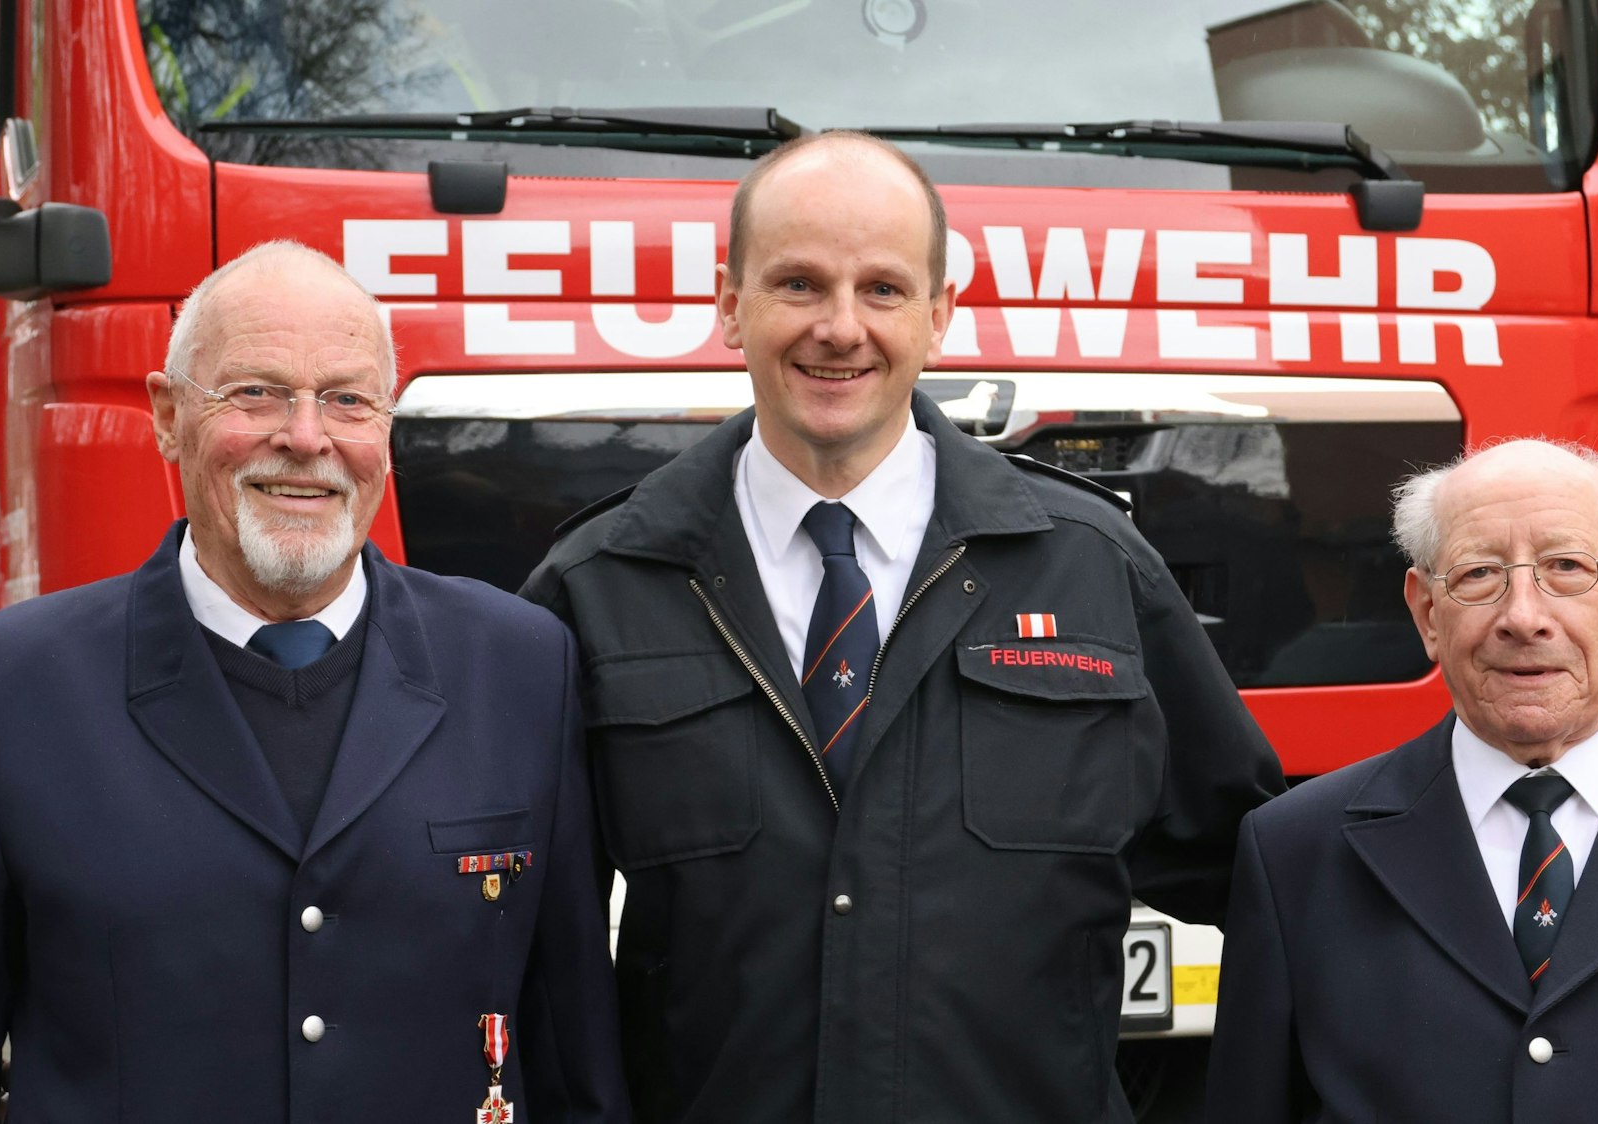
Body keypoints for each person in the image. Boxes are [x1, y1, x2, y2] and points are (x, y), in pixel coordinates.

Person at [520, 131, 1284, 1123]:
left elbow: (1267, 885)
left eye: (882, 289)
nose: (841, 328)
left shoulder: (1095, 569)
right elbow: (523, 949)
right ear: (728, 304)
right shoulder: (599, 587)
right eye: (799, 284)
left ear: (939, 314)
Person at [0, 242, 628, 1123]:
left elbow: (577, 1073)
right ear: (167, 416)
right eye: (256, 392)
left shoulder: (522, 669)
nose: (305, 437)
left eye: (347, 400)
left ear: (385, 429)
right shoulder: (2, 696)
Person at [1206, 438, 1598, 1122]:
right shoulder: (1294, 853)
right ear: (1427, 614)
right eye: (1479, 574)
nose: (1524, 617)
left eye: (1566, 567)